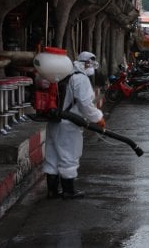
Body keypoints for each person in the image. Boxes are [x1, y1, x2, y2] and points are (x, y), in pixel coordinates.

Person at [43, 51, 105, 199]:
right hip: (69, 125)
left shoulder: (62, 74)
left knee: (53, 156)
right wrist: (98, 118)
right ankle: (68, 191)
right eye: (91, 63)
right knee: (69, 156)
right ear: (86, 63)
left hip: (54, 121)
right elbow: (85, 104)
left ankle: (52, 191)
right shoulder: (80, 79)